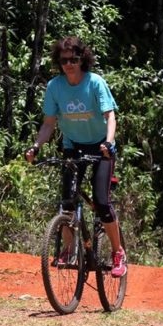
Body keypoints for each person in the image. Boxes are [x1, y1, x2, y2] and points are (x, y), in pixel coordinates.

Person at [24, 36, 128, 278]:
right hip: (73, 146)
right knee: (67, 201)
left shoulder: (95, 83)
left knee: (102, 202)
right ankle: (70, 249)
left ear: (83, 59)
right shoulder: (55, 87)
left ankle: (117, 252)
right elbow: (49, 123)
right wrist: (36, 146)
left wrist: (109, 143)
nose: (69, 64)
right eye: (64, 60)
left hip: (101, 146)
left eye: (74, 59)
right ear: (58, 62)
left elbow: (110, 116)